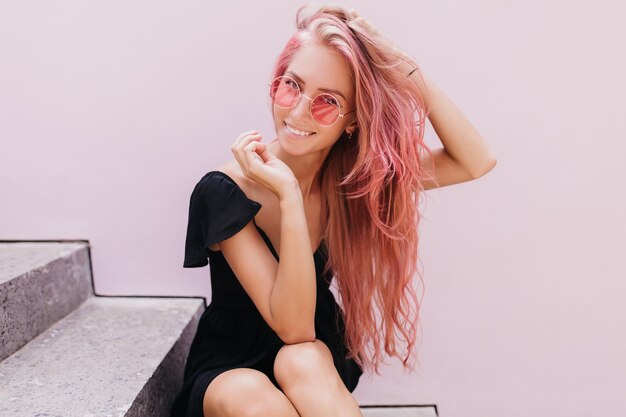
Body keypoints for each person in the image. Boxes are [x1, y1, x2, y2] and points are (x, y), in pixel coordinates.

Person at [170, 3, 496, 417]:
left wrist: (400, 66)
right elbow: (292, 326)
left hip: (313, 364)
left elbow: (475, 160)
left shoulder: (350, 180)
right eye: (291, 86)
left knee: (301, 359)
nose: (300, 111)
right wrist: (289, 197)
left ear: (352, 122)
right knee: (249, 390)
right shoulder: (225, 189)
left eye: (327, 102)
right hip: (230, 368)